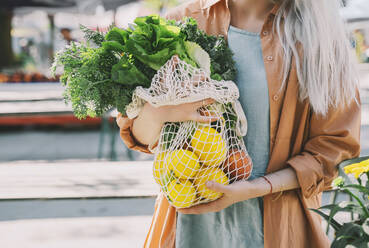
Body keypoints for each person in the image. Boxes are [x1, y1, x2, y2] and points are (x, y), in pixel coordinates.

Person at [116, 0, 361, 247]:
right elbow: (139, 135)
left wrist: (256, 187)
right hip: (189, 225)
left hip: (280, 228)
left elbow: (332, 150)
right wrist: (162, 113)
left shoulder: (318, 34)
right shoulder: (183, 20)